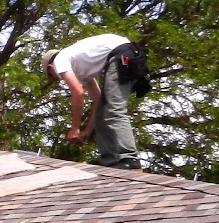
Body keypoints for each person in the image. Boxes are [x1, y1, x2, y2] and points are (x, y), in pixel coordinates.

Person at [43, 34, 144, 170]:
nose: (57, 79)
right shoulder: (80, 68)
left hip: (121, 56)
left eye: (51, 75)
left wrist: (75, 128)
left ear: (50, 66)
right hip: (128, 55)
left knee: (115, 110)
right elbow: (97, 100)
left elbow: (78, 93)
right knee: (105, 108)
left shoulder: (60, 60)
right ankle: (111, 161)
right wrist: (87, 131)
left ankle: (129, 158)